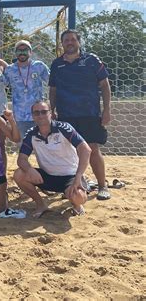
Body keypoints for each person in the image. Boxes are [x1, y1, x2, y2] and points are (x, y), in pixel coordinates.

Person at [49, 29, 112, 200]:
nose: (69, 42)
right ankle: (76, 184)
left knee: (92, 149)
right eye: (66, 40)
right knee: (70, 152)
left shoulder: (91, 60)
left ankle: (102, 185)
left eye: (72, 39)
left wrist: (106, 110)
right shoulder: (56, 64)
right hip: (66, 115)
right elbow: (53, 90)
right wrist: (52, 110)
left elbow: (105, 86)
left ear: (79, 41)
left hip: (89, 113)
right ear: (62, 44)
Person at [13, 101, 91, 217]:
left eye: (44, 112)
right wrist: (29, 169)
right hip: (47, 175)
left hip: (70, 176)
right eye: (37, 113)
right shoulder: (31, 134)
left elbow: (85, 149)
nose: (40, 115)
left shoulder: (63, 128)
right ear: (33, 116)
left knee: (78, 197)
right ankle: (41, 204)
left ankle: (76, 205)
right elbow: (21, 159)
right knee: (19, 174)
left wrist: (78, 176)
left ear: (51, 113)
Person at [1, 40, 50, 138]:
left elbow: (52, 82)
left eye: (25, 50)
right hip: (20, 117)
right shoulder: (10, 70)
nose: (22, 53)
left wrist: (50, 105)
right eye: (19, 50)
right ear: (15, 53)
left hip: (39, 114)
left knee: (42, 146)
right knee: (24, 147)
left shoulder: (39, 66)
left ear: (30, 52)